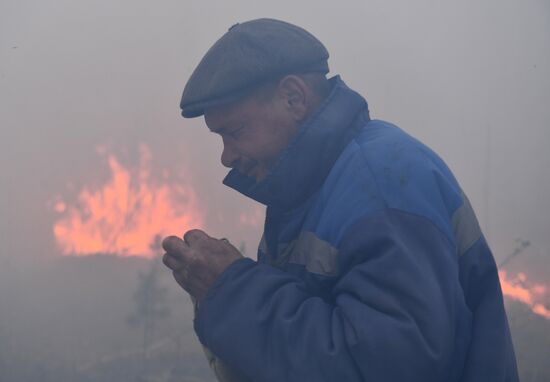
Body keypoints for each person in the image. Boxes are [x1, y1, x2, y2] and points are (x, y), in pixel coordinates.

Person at [161, 18, 519, 382]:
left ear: (294, 98)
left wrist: (232, 291)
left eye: (235, 132)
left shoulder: (383, 188)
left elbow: (387, 367)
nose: (226, 156)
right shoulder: (308, 191)